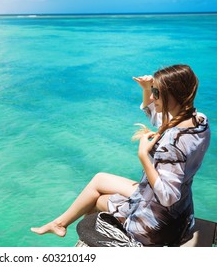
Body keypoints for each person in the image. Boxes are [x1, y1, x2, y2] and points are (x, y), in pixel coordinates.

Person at [31, 64, 211, 246]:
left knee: (97, 202)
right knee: (100, 179)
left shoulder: (173, 143)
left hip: (157, 224)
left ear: (173, 94)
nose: (151, 97)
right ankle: (59, 224)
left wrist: (143, 156)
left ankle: (87, 245)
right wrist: (148, 88)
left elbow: (167, 196)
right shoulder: (199, 121)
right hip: (180, 214)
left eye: (156, 93)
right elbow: (161, 119)